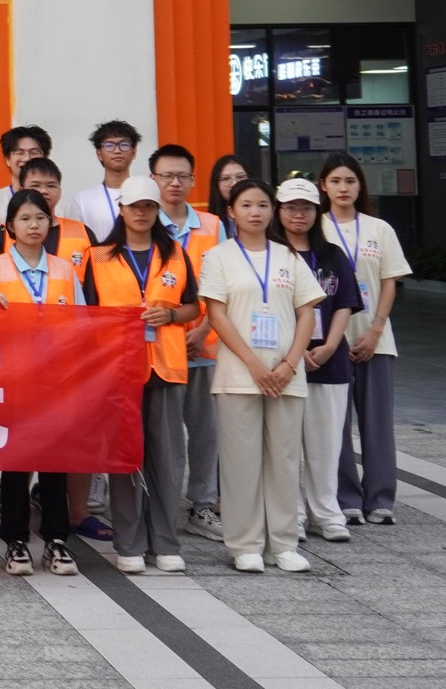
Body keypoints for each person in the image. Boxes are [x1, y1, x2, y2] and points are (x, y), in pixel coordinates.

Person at [200, 178, 324, 574]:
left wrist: (290, 364)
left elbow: (307, 312)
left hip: (286, 375)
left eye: (263, 205)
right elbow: (216, 315)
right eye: (247, 205)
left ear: (273, 211)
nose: (255, 212)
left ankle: (283, 543)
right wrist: (254, 364)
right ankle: (245, 544)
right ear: (231, 211)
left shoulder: (289, 256)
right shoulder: (217, 257)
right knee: (241, 461)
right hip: (239, 374)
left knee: (284, 460)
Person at [81, 178, 199, 576]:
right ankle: (129, 543)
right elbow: (87, 316)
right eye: (134, 206)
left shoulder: (175, 254)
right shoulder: (98, 257)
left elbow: (193, 307)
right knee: (126, 457)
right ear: (122, 209)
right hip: (119, 369)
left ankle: (165, 542)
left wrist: (170, 314)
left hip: (166, 366)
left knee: (167, 459)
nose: (142, 213)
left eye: (149, 206)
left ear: (156, 209)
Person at [0, 187, 85, 577]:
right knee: (16, 464)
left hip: (56, 382)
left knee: (55, 462)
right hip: (13, 381)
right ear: (10, 226)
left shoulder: (65, 271)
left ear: (50, 223)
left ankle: (56, 540)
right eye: (24, 219)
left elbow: (83, 325)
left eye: (40, 217)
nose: (33, 225)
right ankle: (15, 541)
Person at [319, 152, 412, 527]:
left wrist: (376, 328)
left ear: (360, 186)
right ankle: (346, 498)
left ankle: (380, 498)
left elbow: (389, 282)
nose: (343, 188)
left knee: (377, 422)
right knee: (335, 423)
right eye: (336, 181)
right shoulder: (315, 228)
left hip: (376, 339)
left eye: (350, 181)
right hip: (330, 340)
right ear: (323, 186)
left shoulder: (379, 228)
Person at [271, 178, 359, 545]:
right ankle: (293, 514)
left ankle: (327, 513)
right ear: (279, 211)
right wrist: (295, 352)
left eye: (306, 208)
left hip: (329, 361)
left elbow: (345, 305)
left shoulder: (332, 255)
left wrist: (330, 346)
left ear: (317, 212)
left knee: (325, 444)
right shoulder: (271, 254)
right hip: (283, 361)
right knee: (286, 444)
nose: (299, 214)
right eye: (291, 207)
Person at [184, 153, 251, 542]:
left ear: (192, 181)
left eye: (181, 176)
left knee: (207, 435)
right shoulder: (148, 224)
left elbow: (224, 284)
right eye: (166, 176)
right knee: (163, 440)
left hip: (208, 347)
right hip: (161, 352)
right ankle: (158, 503)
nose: (174, 183)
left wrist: (204, 329)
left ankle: (203, 503)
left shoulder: (212, 226)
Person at [0, 126, 56, 270]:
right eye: (19, 152)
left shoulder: (61, 204)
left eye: (34, 152)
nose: (27, 158)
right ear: (7, 159)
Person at [73, 120, 144, 243]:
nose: (117, 151)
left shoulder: (146, 195)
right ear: (99, 153)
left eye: (124, 145)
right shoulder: (83, 200)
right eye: (109, 145)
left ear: (134, 152)